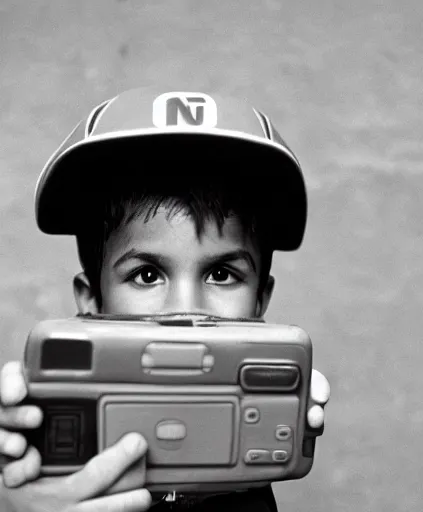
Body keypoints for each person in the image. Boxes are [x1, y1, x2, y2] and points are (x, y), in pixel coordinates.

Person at [0, 87, 332, 511]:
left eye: (221, 273)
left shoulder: (273, 417)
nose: (185, 311)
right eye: (147, 274)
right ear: (91, 302)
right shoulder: (36, 446)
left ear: (261, 302)